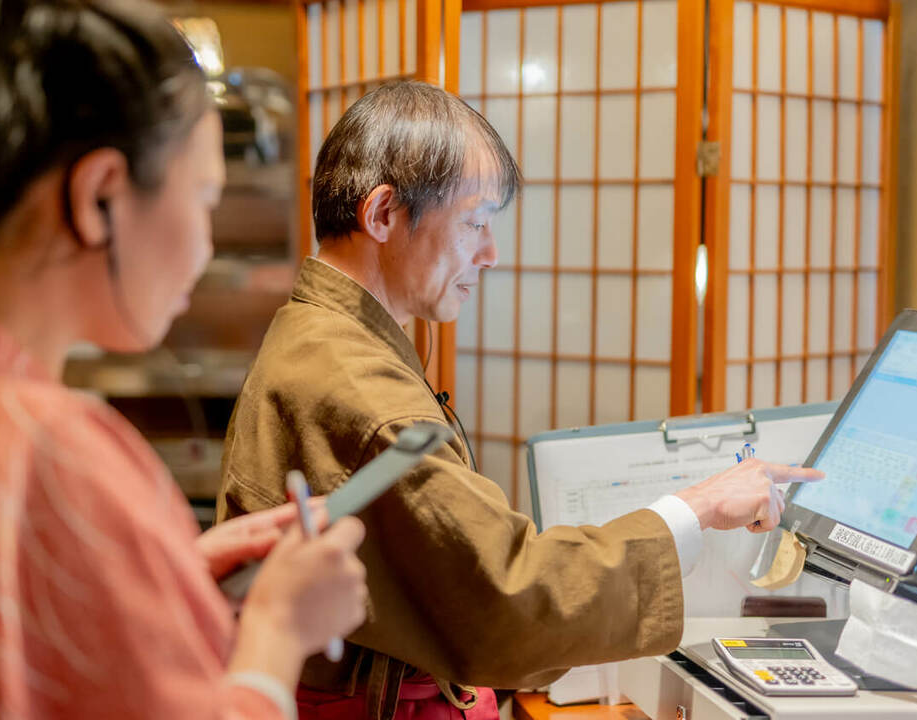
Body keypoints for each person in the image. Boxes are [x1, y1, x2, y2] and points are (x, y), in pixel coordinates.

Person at [0, 2, 368, 718]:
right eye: (203, 197)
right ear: (100, 194)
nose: (204, 247)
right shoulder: (55, 451)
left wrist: (168, 570)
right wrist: (280, 631)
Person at [217, 81, 824, 720]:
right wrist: (693, 509)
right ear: (384, 215)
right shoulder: (358, 385)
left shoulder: (321, 332)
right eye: (476, 222)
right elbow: (506, 599)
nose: (491, 254)